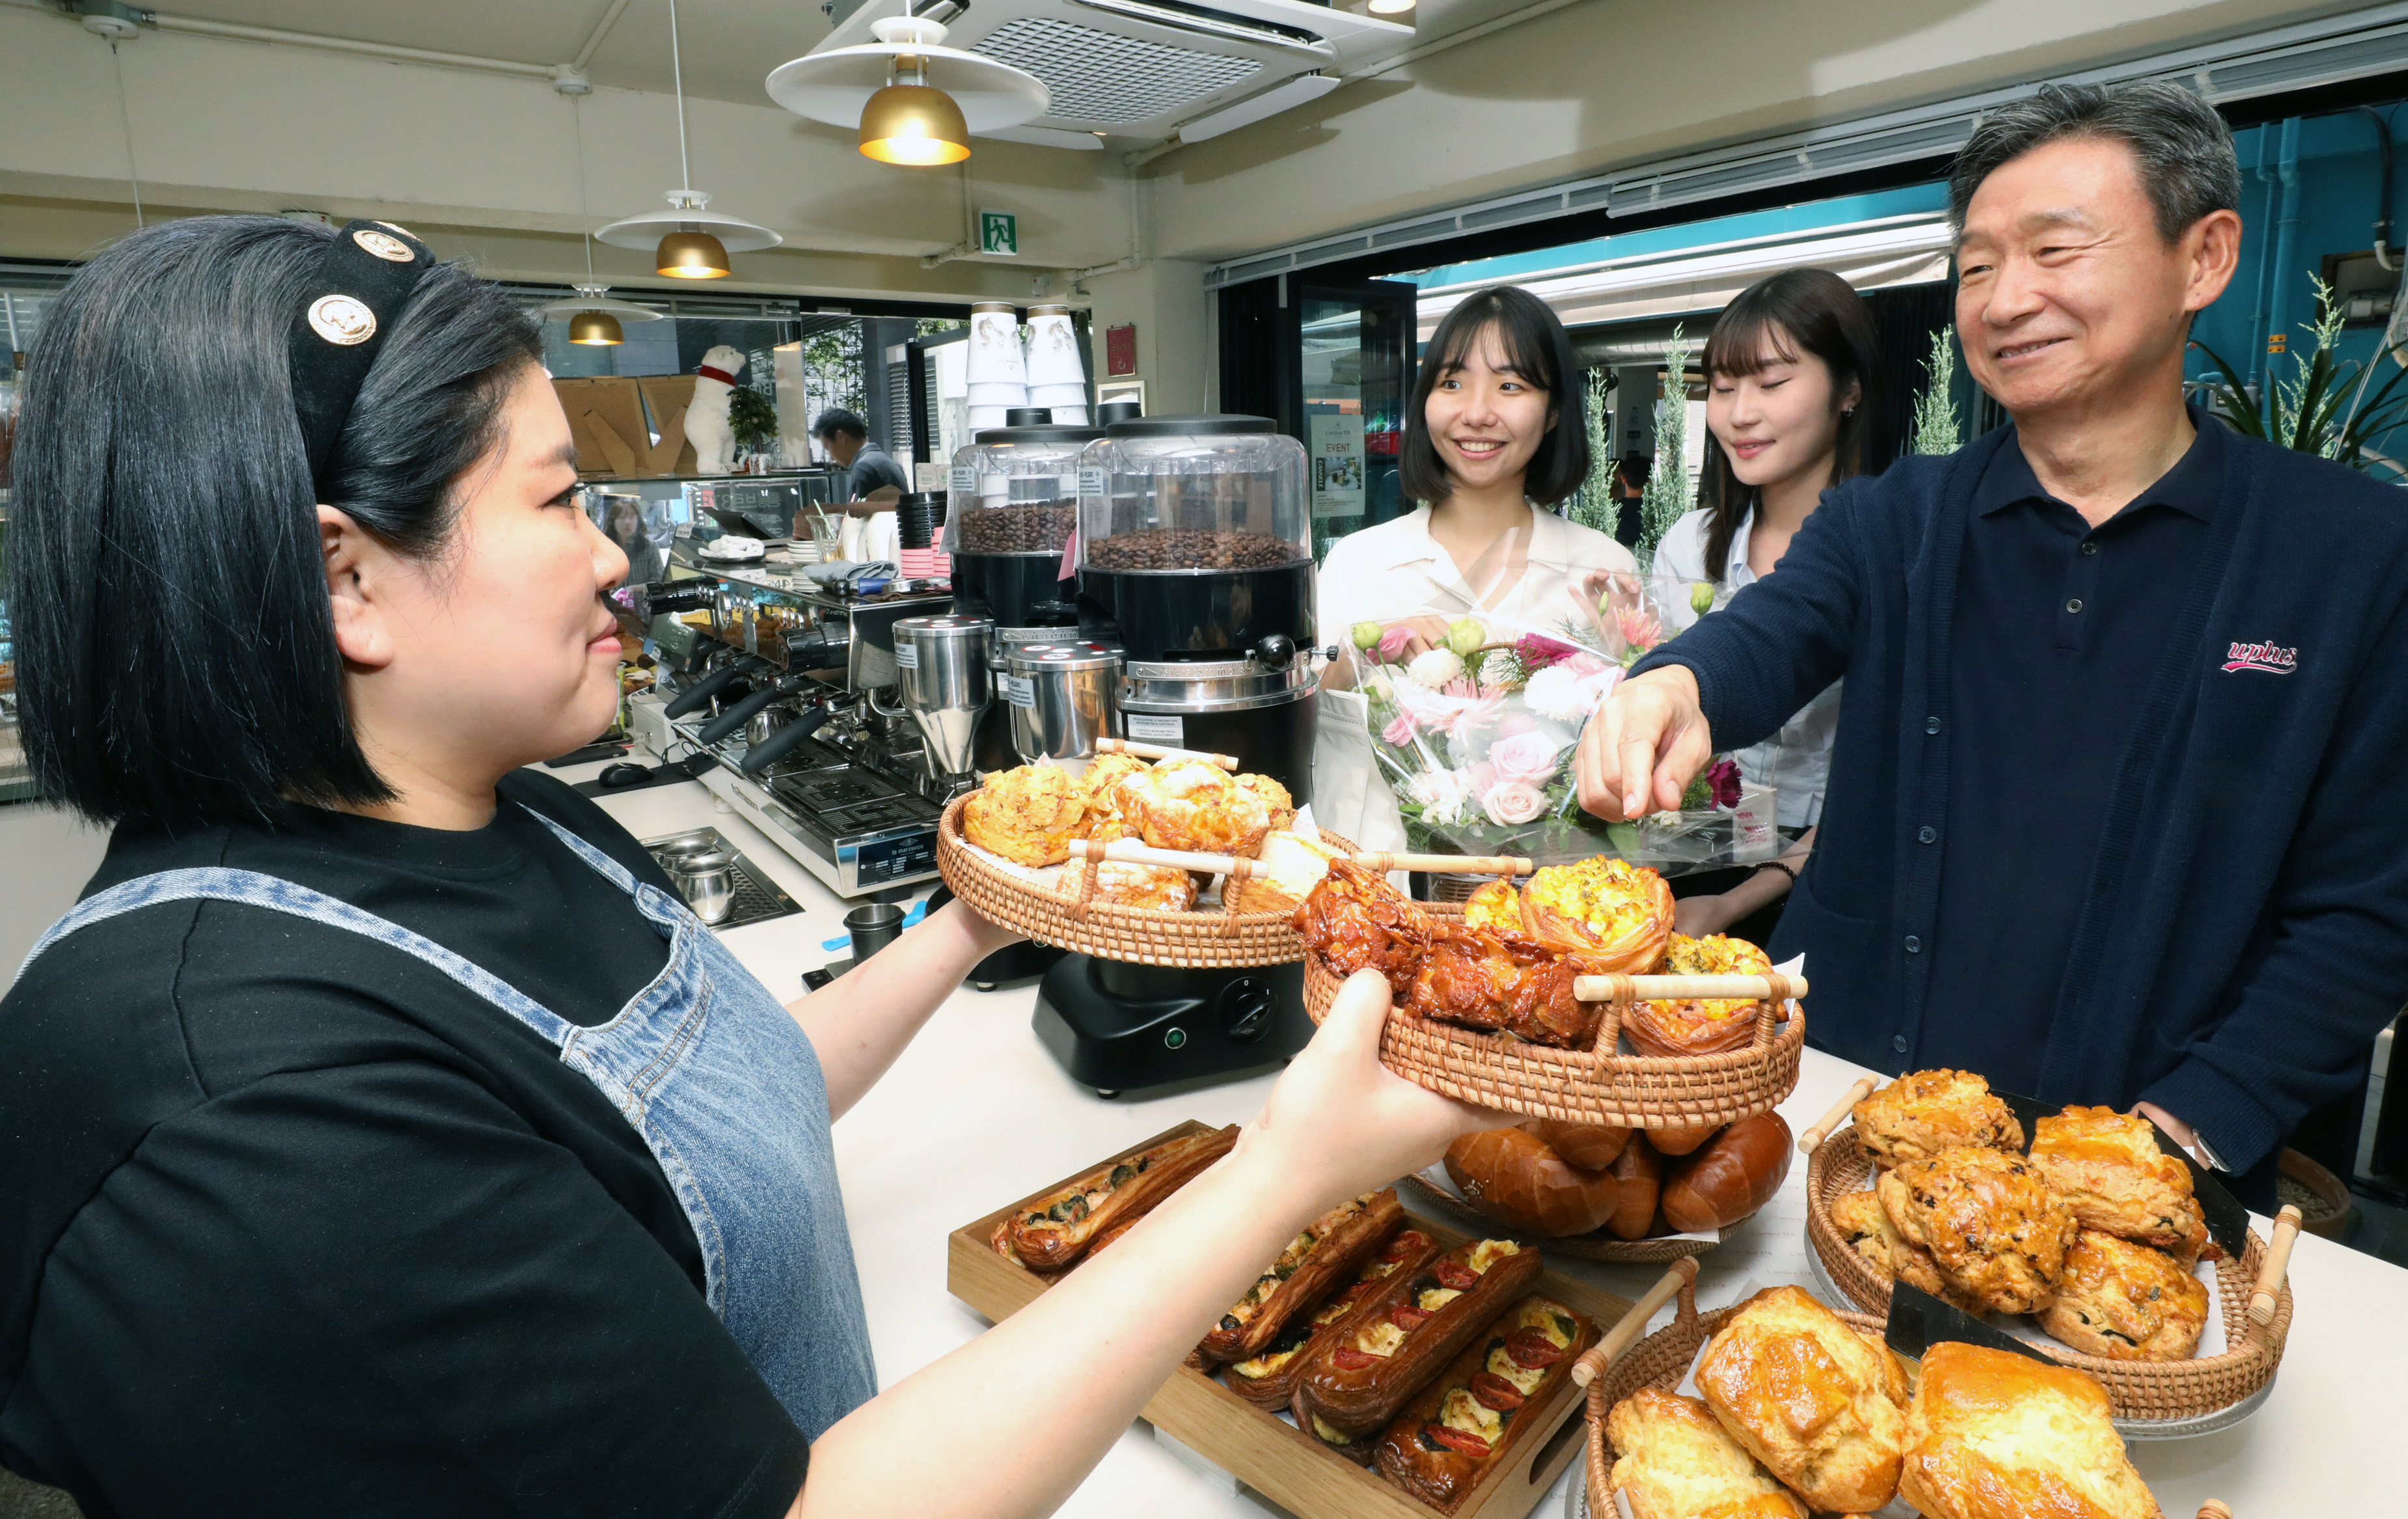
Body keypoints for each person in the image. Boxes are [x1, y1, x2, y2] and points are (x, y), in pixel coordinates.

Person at [0, 215, 1494, 1518]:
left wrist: (970, 923)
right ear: (346, 582)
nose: (611, 554)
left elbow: (698, 1104)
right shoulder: (251, 1114)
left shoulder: (480, 808)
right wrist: (1286, 1174)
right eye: (558, 495)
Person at [1574, 80, 2408, 1210]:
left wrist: (2190, 1127)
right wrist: (1674, 683)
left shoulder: (2351, 555)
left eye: (2056, 251)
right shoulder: (1895, 519)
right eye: (1975, 267)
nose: (2007, 299)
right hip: (1849, 1136)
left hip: (2138, 1181)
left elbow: (2369, 906)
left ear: (2204, 260)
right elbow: (1772, 630)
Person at [1313, 286, 1635, 851]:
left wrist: (1623, 668)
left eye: (1511, 386)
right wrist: (1359, 656)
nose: (1477, 413)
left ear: (1554, 409)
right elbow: (1302, 722)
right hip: (1372, 896)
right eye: (1452, 383)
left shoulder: (1601, 570)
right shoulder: (1355, 563)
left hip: (1543, 898)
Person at [1650, 268, 1896, 937]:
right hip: (1683, 871)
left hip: (1828, 886)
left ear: (1848, 391)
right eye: (1723, 389)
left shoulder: (1894, 554)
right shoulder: (1687, 544)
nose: (1739, 413)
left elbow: (1884, 783)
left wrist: (1734, 905)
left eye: (1771, 383)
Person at [810, 405, 908, 504]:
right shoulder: (884, 461)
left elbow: (857, 516)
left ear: (841, 437)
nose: (831, 458)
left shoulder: (864, 467)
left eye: (828, 449)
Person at [603, 493, 664, 585]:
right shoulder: (605, 550)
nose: (627, 522)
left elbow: (659, 582)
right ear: (613, 522)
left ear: (638, 521)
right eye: (622, 518)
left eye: (631, 517)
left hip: (643, 599)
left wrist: (635, 589)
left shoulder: (650, 547)